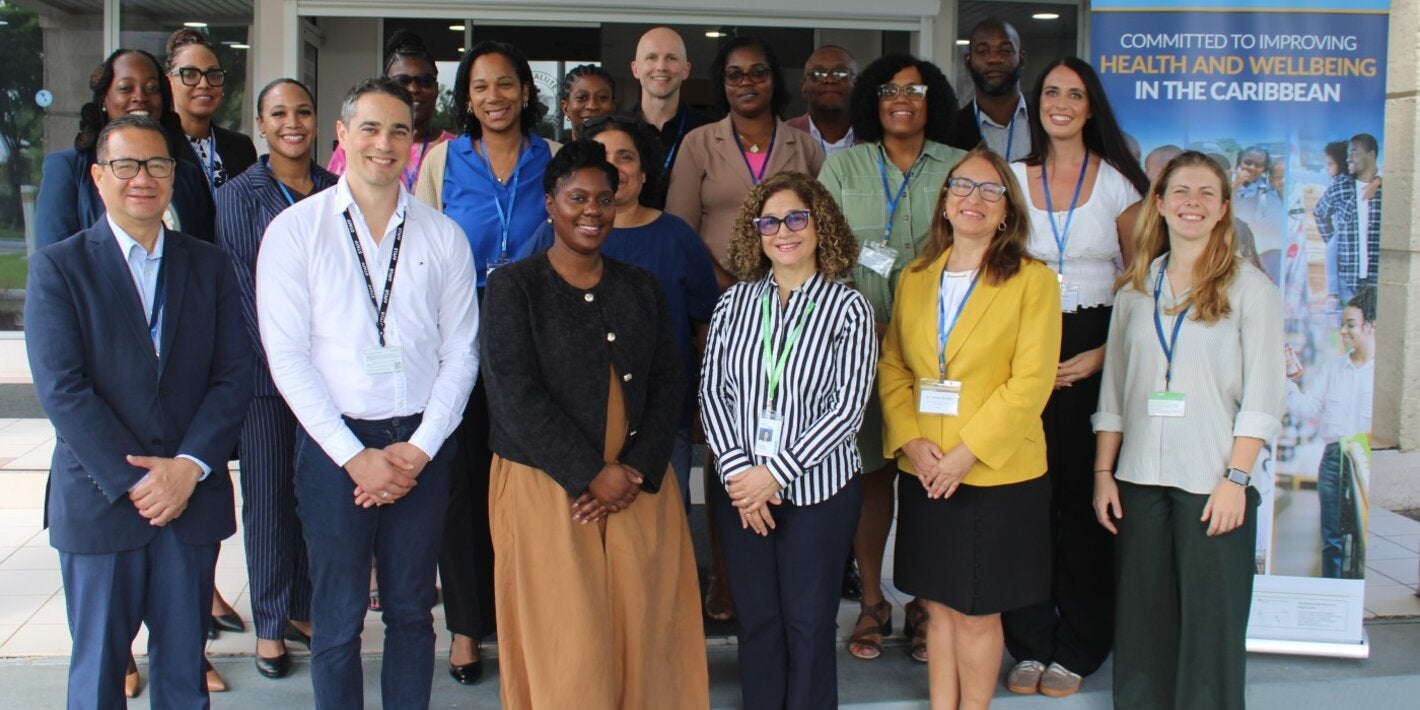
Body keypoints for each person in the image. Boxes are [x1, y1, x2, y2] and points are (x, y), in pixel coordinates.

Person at [256, 77, 479, 709]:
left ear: (414, 142)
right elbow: (287, 358)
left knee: (411, 611)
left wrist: (420, 450)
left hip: (421, 447)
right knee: (337, 617)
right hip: (334, 447)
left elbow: (462, 354)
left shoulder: (443, 236)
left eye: (399, 130)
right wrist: (355, 457)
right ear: (342, 135)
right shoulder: (295, 231)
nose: (385, 143)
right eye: (371, 129)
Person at [25, 113, 252, 710]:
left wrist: (188, 467)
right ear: (99, 177)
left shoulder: (209, 264)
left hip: (190, 499)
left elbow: (233, 376)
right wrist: (139, 481)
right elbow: (63, 390)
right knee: (99, 675)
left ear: (173, 175)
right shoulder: (60, 267)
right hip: (102, 503)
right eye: (125, 165)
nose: (142, 178)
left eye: (157, 164)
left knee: (183, 674)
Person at [480, 140, 709, 709]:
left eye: (604, 199)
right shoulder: (515, 286)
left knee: (645, 625)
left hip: (637, 485)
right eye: (577, 198)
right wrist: (589, 474)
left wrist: (634, 470)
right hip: (547, 484)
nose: (592, 211)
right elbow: (513, 394)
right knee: (568, 637)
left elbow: (670, 381)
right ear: (550, 203)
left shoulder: (641, 286)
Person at [1093, 150, 1284, 710]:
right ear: (1159, 203)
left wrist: (1236, 479)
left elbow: (1263, 398)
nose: (1192, 203)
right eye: (1180, 191)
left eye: (1206, 193)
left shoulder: (1252, 290)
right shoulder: (1135, 289)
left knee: (1211, 629)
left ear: (1224, 209)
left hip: (1212, 481)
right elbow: (1114, 392)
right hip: (1139, 478)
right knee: (1142, 624)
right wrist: (1104, 474)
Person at [879, 146, 1060, 710]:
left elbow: (1031, 383)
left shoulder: (1033, 281)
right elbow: (894, 366)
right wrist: (912, 441)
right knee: (937, 606)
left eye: (989, 190)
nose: (972, 198)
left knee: (978, 614)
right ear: (945, 201)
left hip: (995, 475)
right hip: (925, 468)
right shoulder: (915, 278)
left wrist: (965, 454)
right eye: (961, 186)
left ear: (1007, 210)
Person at [1001, 55, 1149, 698]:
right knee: (1025, 499)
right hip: (1021, 344)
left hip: (1094, 345)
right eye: (1051, 93)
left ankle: (1082, 644)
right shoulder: (1010, 177)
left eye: (1075, 94)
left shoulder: (1118, 183)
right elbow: (993, 266)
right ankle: (1029, 641)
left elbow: (1141, 283)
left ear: (1092, 108)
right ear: (1037, 104)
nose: (1061, 103)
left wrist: (1104, 354)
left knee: (1085, 503)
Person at [700, 170, 877, 709]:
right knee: (757, 621)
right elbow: (713, 394)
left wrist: (774, 474)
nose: (784, 232)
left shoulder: (849, 308)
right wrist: (741, 475)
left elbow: (846, 408)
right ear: (755, 233)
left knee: (809, 622)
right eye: (770, 222)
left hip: (818, 494)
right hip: (742, 494)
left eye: (797, 218)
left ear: (820, 225)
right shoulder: (733, 304)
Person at [413, 41, 558, 681]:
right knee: (463, 485)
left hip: (540, 336)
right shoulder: (443, 161)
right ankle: (468, 628)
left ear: (525, 91)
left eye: (505, 84)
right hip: (461, 338)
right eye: (479, 87)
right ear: (466, 99)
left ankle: (535, 619)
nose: (493, 97)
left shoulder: (554, 156)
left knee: (538, 481)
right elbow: (418, 256)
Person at [816, 52, 966, 664]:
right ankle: (873, 602)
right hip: (861, 352)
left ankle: (927, 603)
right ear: (871, 102)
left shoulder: (960, 167)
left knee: (930, 475)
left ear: (934, 101)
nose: (902, 99)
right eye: (888, 90)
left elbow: (979, 252)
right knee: (871, 475)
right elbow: (823, 252)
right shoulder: (843, 167)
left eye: (915, 90)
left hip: (943, 357)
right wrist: (858, 321)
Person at [517, 115, 719, 509]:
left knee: (655, 536)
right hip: (571, 429)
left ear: (644, 173)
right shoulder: (552, 235)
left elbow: (706, 324)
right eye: (601, 156)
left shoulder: (676, 237)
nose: (613, 167)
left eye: (625, 157)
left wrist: (702, 401)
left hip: (661, 424)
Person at [214, 77, 335, 679]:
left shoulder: (337, 190)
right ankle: (269, 622)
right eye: (279, 113)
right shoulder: (239, 196)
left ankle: (304, 608)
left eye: (303, 111)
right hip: (265, 379)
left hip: (331, 378)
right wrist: (287, 365)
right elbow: (245, 291)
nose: (292, 123)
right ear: (260, 125)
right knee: (267, 501)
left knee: (315, 496)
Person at [667, 35, 827, 292]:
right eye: (734, 75)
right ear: (722, 83)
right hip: (716, 291)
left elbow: (825, 224)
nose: (746, 82)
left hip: (794, 291)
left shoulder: (806, 146)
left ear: (774, 79)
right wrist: (724, 282)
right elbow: (680, 228)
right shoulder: (698, 143)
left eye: (758, 72)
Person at [35, 49, 215, 250]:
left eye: (152, 88)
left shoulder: (187, 173)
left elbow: (204, 254)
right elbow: (54, 256)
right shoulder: (68, 168)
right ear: (104, 98)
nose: (140, 97)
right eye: (126, 88)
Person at [1287, 286, 1376, 578]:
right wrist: (1286, 382)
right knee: (1332, 536)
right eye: (1343, 325)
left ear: (1371, 326)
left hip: (1366, 459)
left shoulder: (1380, 373)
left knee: (1365, 534)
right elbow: (1307, 407)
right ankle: (1333, 590)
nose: (1344, 331)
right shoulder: (1334, 369)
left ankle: (1359, 592)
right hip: (1335, 457)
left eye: (1351, 325)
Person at [329, 30, 458, 191]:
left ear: (436, 89)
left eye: (424, 81)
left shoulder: (454, 150)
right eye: (401, 81)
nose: (413, 89)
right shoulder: (354, 146)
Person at [165, 28, 257, 194]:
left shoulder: (241, 147)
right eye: (190, 74)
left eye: (213, 74)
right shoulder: (159, 145)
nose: (204, 84)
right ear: (168, 81)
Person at [629, 27, 713, 202]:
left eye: (671, 58)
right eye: (651, 57)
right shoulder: (618, 130)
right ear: (635, 69)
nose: (661, 67)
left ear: (686, 70)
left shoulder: (709, 133)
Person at [948, 18, 1032, 161]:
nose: (994, 59)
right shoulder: (948, 130)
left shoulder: (1045, 122)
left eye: (1005, 50)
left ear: (1022, 59)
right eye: (982, 51)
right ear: (968, 62)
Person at [1313, 133, 1382, 304]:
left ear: (1371, 155)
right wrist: (1335, 239)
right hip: (1348, 279)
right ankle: (1333, 293)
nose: (1349, 158)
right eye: (1348, 154)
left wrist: (1378, 180)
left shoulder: (1383, 188)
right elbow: (1319, 213)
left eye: (1354, 154)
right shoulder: (1340, 188)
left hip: (1377, 279)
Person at [786, 45, 859, 157]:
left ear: (857, 86)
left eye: (841, 73)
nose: (830, 80)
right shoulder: (783, 135)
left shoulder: (877, 137)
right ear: (803, 87)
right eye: (818, 74)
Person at [560, 64, 616, 141]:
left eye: (602, 97)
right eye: (581, 98)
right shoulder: (552, 148)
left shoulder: (629, 148)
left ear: (613, 107)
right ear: (566, 108)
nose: (592, 106)